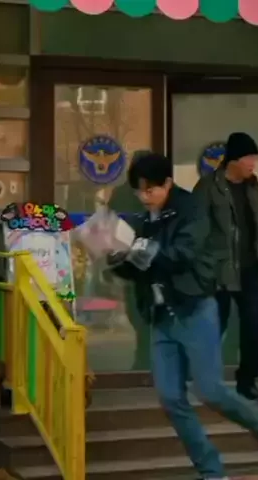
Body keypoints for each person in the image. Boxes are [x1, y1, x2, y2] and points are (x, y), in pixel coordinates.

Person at [105, 152, 258, 480]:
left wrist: (143, 251)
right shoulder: (144, 218)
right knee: (171, 399)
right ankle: (212, 472)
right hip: (161, 317)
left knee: (210, 390)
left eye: (150, 190)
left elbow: (181, 256)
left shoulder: (192, 209)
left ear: (167, 183)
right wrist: (118, 259)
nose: (144, 197)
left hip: (195, 309)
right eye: (139, 191)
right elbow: (139, 270)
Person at [193, 132, 258, 402]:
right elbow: (196, 228)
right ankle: (206, 382)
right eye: (249, 158)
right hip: (219, 271)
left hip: (248, 269)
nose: (253, 164)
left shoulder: (253, 187)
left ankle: (247, 383)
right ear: (234, 159)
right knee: (214, 328)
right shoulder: (208, 187)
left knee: (253, 325)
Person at [108, 150, 150, 370]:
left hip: (137, 259)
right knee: (140, 312)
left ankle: (144, 359)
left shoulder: (123, 192)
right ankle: (145, 359)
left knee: (140, 313)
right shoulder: (126, 193)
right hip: (137, 259)